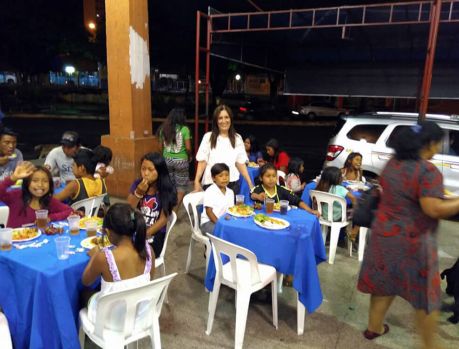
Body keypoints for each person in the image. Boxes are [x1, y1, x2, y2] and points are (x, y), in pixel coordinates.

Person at [357, 121, 459, 348]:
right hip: (414, 244)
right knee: (426, 298)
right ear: (429, 144)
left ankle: (374, 328)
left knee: (384, 284)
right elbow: (433, 209)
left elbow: (403, 193)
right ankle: (430, 345)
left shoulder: (394, 163)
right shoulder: (427, 171)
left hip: (383, 237)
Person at [81, 203, 155, 329]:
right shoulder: (149, 250)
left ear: (108, 232)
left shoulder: (104, 257)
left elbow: (86, 281)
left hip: (112, 321)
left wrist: (95, 254)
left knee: (84, 294)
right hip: (139, 315)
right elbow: (151, 279)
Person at [194, 105, 253, 195]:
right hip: (211, 183)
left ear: (231, 119)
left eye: (226, 117)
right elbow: (202, 161)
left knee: (231, 209)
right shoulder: (208, 137)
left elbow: (240, 163)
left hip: (232, 183)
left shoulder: (237, 138)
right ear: (216, 121)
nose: (224, 121)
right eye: (220, 118)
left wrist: (250, 184)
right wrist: (196, 181)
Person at [127, 152, 177, 257]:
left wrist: (144, 235)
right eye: (143, 169)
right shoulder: (137, 184)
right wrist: (138, 193)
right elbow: (128, 209)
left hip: (155, 233)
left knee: (134, 254)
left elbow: (163, 220)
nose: (145, 173)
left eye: (150, 170)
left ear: (159, 171)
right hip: (136, 228)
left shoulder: (167, 189)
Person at [0, 162, 72, 228]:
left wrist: (50, 217)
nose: (40, 185)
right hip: (14, 239)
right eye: (35, 181)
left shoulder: (49, 201)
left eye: (45, 181)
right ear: (27, 183)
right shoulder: (16, 196)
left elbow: (69, 211)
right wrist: (13, 178)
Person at [250, 163, 319, 216]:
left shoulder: (282, 190)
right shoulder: (258, 189)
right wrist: (258, 196)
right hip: (261, 218)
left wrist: (310, 210)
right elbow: (252, 195)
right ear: (261, 178)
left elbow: (297, 201)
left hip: (280, 218)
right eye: (268, 176)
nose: (271, 179)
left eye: (274, 176)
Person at [158, 108, 192, 210]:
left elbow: (160, 147)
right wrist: (189, 156)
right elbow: (188, 147)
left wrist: (164, 156)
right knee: (181, 187)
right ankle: (174, 212)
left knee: (170, 185)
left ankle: (166, 208)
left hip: (167, 159)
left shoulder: (163, 129)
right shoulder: (184, 129)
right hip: (181, 161)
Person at [315, 166, 359, 240]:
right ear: (337, 178)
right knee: (356, 212)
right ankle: (352, 234)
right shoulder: (341, 189)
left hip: (322, 215)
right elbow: (353, 198)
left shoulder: (321, 187)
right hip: (337, 218)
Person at [200, 163, 234, 235]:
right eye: (221, 176)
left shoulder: (230, 192)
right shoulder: (210, 191)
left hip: (224, 221)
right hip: (209, 222)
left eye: (227, 175)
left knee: (234, 232)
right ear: (213, 178)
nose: (224, 178)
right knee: (224, 233)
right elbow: (209, 212)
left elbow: (231, 210)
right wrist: (220, 224)